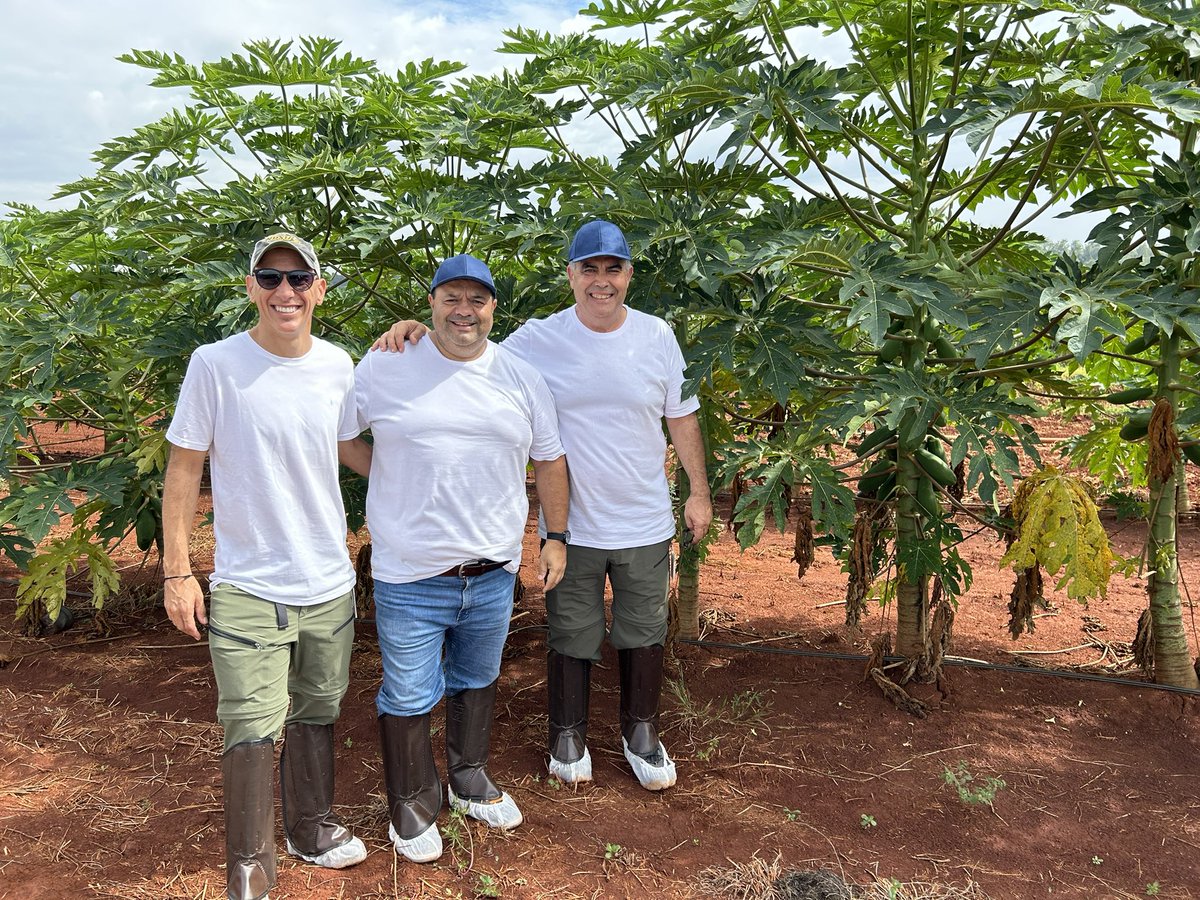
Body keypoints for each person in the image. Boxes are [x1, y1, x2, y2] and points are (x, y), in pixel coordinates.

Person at [375, 221, 712, 792]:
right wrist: (413, 330)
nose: (600, 281)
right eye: (589, 269)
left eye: (612, 269)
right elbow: (468, 344)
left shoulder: (657, 336)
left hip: (644, 517)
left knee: (643, 629)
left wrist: (699, 490)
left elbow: (680, 415)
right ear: (571, 275)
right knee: (572, 631)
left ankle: (641, 732)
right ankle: (568, 732)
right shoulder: (537, 338)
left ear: (628, 275)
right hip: (574, 524)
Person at [342, 253, 569, 864]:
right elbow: (343, 436)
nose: (464, 310)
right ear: (432, 303)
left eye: (478, 299)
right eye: (452, 298)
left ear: (493, 307)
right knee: (410, 693)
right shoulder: (389, 363)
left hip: (492, 572)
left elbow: (548, 460)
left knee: (477, 678)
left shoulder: (520, 376)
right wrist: (390, 470)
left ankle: (467, 779)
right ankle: (412, 801)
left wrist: (555, 537)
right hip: (410, 573)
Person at [162, 232, 367, 900]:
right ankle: (249, 865)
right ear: (250, 287)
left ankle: (311, 826)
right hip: (250, 582)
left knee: (317, 706)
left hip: (329, 581)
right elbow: (185, 466)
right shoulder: (215, 365)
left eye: (299, 278)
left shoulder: (340, 365)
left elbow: (350, 448)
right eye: (270, 278)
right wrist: (176, 570)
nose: (286, 292)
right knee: (251, 720)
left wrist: (443, 459)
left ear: (319, 290)